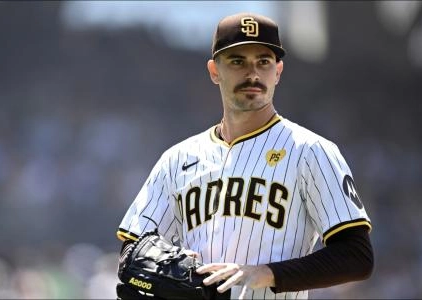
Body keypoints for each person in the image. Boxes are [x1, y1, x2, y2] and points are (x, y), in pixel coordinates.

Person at [116, 12, 374, 299]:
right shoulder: (177, 159)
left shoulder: (311, 151)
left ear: (278, 71)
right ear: (215, 71)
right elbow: (134, 248)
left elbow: (357, 256)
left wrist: (266, 273)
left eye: (263, 62)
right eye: (237, 61)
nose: (252, 74)